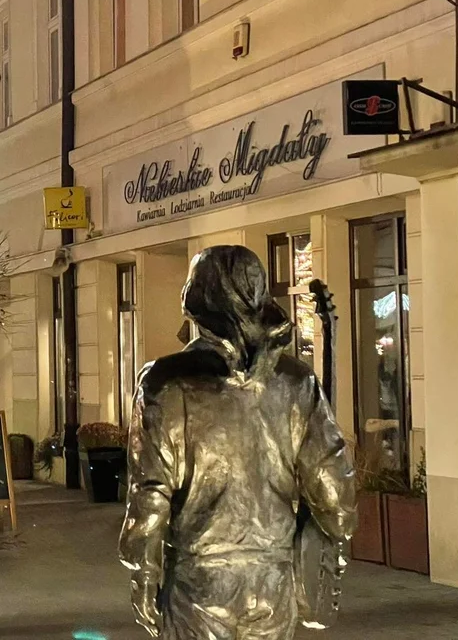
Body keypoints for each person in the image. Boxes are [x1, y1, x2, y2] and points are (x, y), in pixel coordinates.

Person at [119, 246, 356, 640]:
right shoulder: (296, 382)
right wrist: (336, 540)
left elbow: (150, 492)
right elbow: (333, 485)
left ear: (196, 301)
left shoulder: (165, 382)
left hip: (198, 584)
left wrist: (143, 575)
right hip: (273, 581)